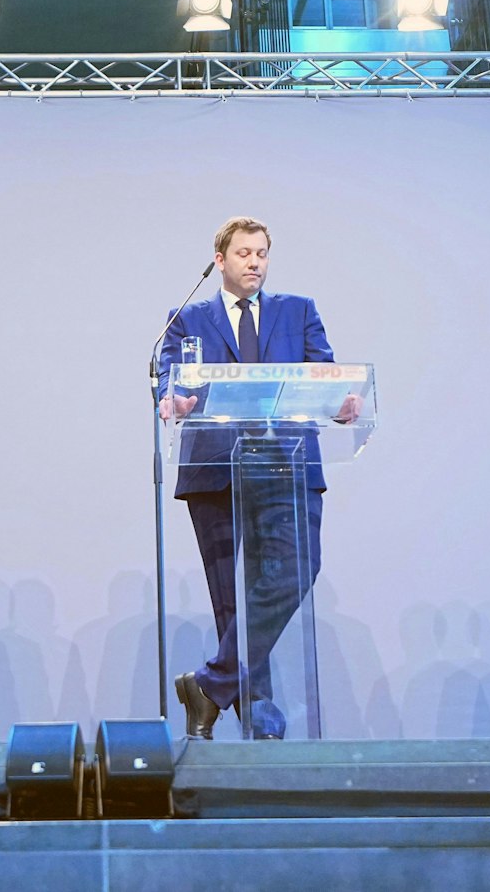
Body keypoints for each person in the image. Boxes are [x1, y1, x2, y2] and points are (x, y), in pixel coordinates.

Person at [157, 215, 360, 740]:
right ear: (219, 260)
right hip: (215, 468)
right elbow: (169, 377)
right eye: (244, 253)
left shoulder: (299, 311)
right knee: (232, 599)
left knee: (297, 565)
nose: (254, 262)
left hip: (286, 463)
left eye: (262, 253)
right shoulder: (186, 317)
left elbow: (324, 376)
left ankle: (211, 683)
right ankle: (259, 722)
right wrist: (172, 399)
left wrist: (340, 404)